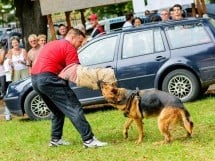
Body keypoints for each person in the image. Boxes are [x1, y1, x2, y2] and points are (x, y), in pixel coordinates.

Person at [31, 28, 107, 148]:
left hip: (35, 79)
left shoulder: (53, 43)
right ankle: (89, 140)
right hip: (49, 78)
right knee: (74, 107)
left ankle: (55, 140)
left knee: (57, 110)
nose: (80, 45)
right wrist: (96, 80)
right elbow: (76, 71)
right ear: (72, 37)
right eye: (80, 41)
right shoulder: (69, 47)